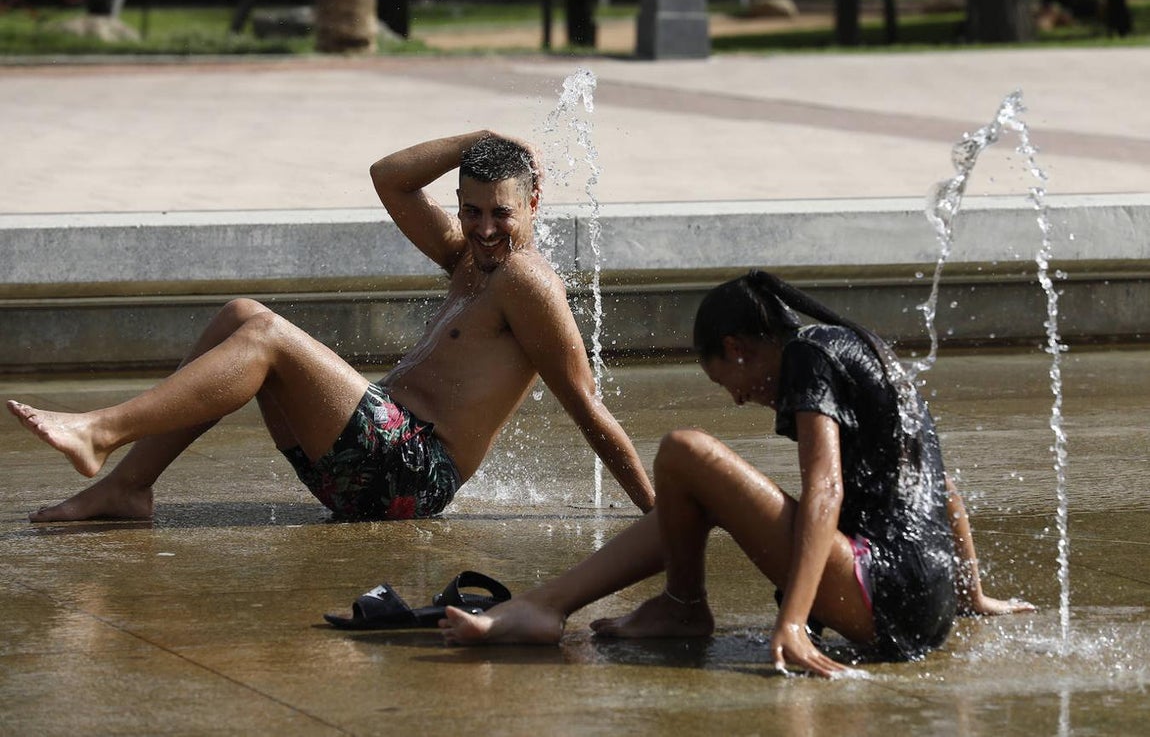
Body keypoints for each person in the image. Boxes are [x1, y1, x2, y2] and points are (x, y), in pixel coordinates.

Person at [8, 131, 654, 523]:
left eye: (501, 214)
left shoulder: (527, 281)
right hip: (373, 456)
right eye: (471, 209)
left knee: (264, 339)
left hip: (411, 474)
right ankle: (127, 485)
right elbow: (390, 180)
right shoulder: (468, 258)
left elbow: (587, 405)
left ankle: (101, 430)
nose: (484, 228)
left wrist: (660, 515)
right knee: (242, 313)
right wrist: (478, 140)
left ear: (534, 201)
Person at [441, 270, 1034, 677]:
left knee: (683, 452)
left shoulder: (808, 355)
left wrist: (795, 623)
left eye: (727, 380)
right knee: (690, 487)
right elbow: (940, 487)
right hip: (922, 600)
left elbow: (827, 486)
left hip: (880, 591)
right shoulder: (858, 349)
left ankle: (670, 606)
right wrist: (969, 596)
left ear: (739, 347)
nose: (738, 399)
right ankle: (556, 604)